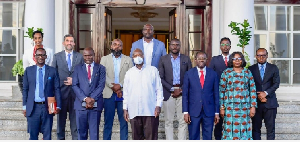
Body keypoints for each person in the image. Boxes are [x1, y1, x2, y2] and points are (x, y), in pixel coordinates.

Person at [123, 48, 164, 140]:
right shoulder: (129, 73)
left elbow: (159, 89)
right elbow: (126, 92)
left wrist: (158, 105)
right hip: (134, 111)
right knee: (137, 138)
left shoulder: (153, 70)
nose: (138, 57)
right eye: (135, 55)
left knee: (151, 137)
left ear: (143, 56)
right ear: (132, 58)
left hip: (150, 110)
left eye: (139, 55)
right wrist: (125, 108)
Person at [22, 48, 61, 140]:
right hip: (33, 107)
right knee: (33, 136)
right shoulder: (28, 70)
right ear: (35, 57)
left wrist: (58, 106)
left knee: (47, 136)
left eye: (43, 55)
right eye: (38, 55)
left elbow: (57, 89)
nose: (40, 57)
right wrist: (24, 106)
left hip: (47, 107)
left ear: (46, 57)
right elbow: (25, 89)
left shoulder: (52, 71)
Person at [158, 39, 192, 140]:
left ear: (180, 46)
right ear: (169, 46)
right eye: (173, 45)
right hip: (169, 93)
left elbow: (190, 76)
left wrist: (181, 89)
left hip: (183, 93)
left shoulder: (186, 59)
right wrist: (172, 89)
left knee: (182, 121)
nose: (175, 47)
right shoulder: (163, 59)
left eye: (177, 45)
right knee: (168, 121)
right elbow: (160, 77)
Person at [51, 34, 84, 140]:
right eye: (67, 41)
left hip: (76, 95)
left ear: (74, 43)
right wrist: (53, 95)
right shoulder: (57, 56)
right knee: (61, 123)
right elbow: (53, 75)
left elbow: (83, 75)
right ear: (63, 43)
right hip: (61, 94)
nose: (69, 43)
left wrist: (74, 81)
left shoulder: (80, 57)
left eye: (71, 41)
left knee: (75, 124)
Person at [219, 51, 257, 140]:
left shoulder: (247, 72)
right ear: (231, 60)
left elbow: (252, 90)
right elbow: (221, 91)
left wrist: (253, 107)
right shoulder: (226, 73)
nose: (237, 61)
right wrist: (221, 108)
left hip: (244, 108)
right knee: (229, 130)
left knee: (244, 130)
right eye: (234, 59)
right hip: (229, 109)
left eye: (239, 59)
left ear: (242, 60)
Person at [182, 51, 219, 140]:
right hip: (194, 111)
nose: (201, 60)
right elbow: (185, 94)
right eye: (199, 59)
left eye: (203, 59)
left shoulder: (213, 74)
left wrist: (216, 112)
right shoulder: (189, 73)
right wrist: (185, 112)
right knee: (193, 136)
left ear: (207, 60)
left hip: (209, 111)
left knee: (208, 137)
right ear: (195, 60)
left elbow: (216, 94)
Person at [100, 39, 133, 140]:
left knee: (124, 121)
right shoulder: (104, 59)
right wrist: (112, 86)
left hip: (123, 94)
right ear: (111, 46)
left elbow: (130, 75)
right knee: (108, 122)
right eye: (115, 45)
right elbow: (103, 74)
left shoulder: (128, 60)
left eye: (119, 45)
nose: (117, 47)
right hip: (108, 94)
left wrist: (120, 85)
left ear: (122, 47)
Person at [72, 47, 106, 140]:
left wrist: (92, 99)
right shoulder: (78, 68)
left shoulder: (101, 68)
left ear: (93, 55)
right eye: (86, 55)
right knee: (81, 133)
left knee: (94, 134)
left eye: (90, 55)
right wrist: (85, 98)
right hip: (80, 106)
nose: (88, 57)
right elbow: (74, 85)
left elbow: (101, 85)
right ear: (83, 56)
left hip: (95, 105)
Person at [249, 48, 280, 140]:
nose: (261, 57)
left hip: (270, 103)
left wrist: (265, 93)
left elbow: (276, 83)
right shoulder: (250, 69)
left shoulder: (273, 68)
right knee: (255, 129)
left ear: (267, 56)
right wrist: (259, 96)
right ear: (256, 56)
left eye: (263, 55)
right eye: (259, 55)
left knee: (270, 129)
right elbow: (248, 85)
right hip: (256, 104)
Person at [209, 37, 231, 140]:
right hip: (219, 93)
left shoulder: (235, 58)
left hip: (232, 94)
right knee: (219, 120)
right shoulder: (215, 59)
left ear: (230, 46)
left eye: (227, 44)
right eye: (223, 44)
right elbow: (210, 76)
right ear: (220, 47)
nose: (225, 46)